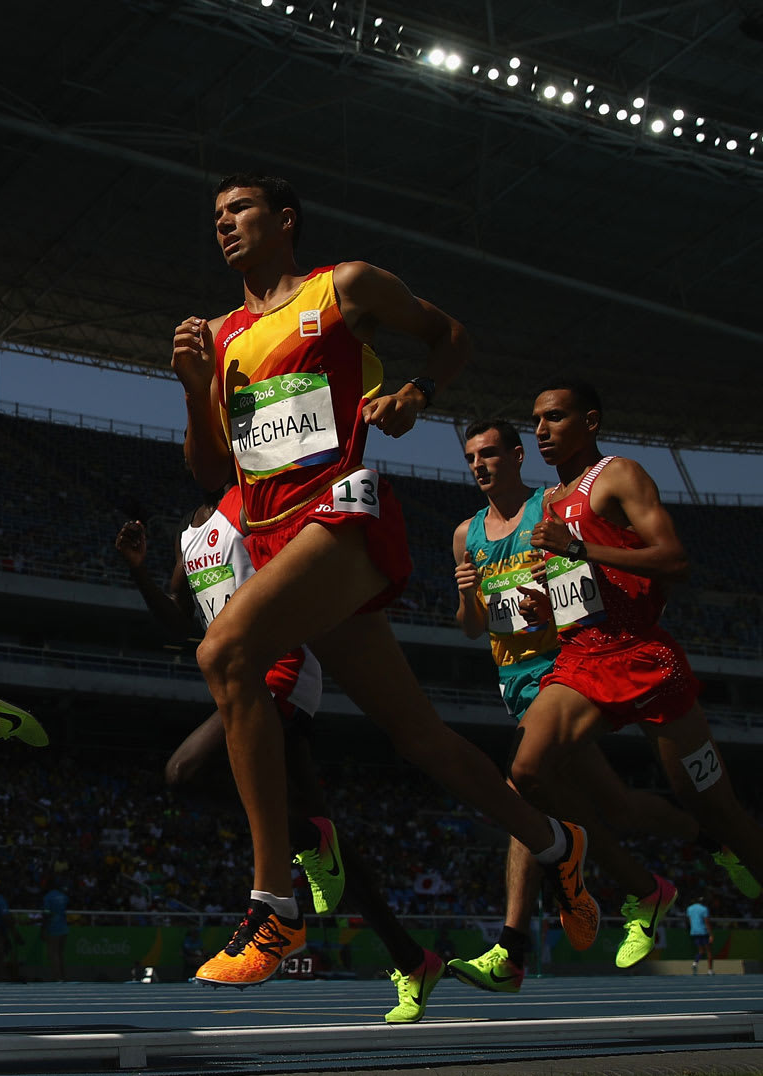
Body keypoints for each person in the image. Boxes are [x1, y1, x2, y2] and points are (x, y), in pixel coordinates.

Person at [170, 173, 587, 986]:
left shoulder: (343, 288)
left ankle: (276, 907)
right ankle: (556, 843)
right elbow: (211, 467)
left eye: (240, 210)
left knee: (225, 656)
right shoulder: (218, 335)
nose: (223, 225)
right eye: (215, 217)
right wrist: (194, 393)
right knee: (420, 736)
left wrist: (417, 391)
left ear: (284, 220)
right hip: (277, 534)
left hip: (342, 514)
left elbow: (450, 335)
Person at [453, 383, 763, 990]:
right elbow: (574, 592)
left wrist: (579, 548)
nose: (542, 430)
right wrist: (545, 594)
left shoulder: (617, 475)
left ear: (590, 422)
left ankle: (686, 858)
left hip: (648, 660)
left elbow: (674, 559)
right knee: (527, 773)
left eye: (556, 418)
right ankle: (613, 888)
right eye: (536, 420)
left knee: (717, 808)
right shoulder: (553, 500)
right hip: (584, 657)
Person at [116, 494, 441, 1022]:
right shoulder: (187, 533)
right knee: (326, 849)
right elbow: (179, 623)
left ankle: (312, 843)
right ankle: (411, 958)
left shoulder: (249, 502)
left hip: (277, 665)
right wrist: (137, 572)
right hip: (240, 676)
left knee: (185, 773)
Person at [41, 883, 70, 982]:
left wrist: (43, 929)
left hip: (53, 928)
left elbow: (46, 914)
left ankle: (57, 977)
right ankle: (64, 976)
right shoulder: (63, 896)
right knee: (60, 954)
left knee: (53, 954)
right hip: (64, 927)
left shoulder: (48, 897)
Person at [687, 896, 712, 974]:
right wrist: (711, 934)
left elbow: (690, 921)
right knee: (709, 951)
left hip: (694, 932)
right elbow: (706, 922)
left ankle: (695, 963)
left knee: (701, 951)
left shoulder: (689, 908)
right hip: (703, 932)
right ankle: (710, 970)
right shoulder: (704, 909)